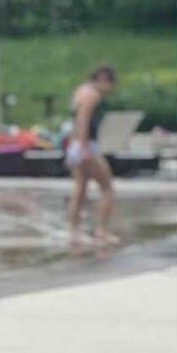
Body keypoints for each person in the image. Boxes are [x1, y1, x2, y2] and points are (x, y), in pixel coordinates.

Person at [66, 66, 119, 247]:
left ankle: (74, 231)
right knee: (107, 188)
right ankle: (101, 231)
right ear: (103, 79)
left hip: (75, 144)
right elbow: (83, 120)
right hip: (86, 145)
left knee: (80, 189)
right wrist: (84, 148)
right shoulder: (91, 95)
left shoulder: (80, 91)